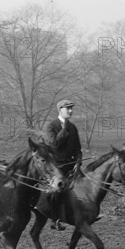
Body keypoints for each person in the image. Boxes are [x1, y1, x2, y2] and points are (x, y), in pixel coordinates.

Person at [45, 99, 82, 230]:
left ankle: (85, 214)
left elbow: (78, 147)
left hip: (72, 165)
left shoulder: (73, 128)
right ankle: (55, 220)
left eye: (72, 108)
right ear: (60, 110)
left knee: (85, 184)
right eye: (68, 108)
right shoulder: (51, 126)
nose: (71, 111)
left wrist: (78, 161)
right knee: (57, 191)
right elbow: (54, 144)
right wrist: (64, 128)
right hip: (57, 167)